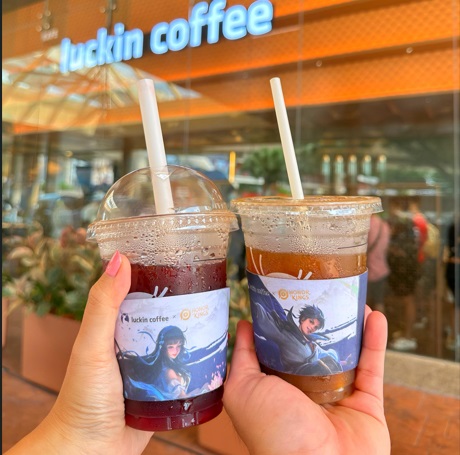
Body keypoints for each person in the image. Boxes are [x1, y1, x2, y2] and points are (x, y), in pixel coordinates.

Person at [6, 252, 390, 455]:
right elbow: (274, 314)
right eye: (170, 344)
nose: (174, 349)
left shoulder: (315, 345)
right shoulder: (288, 330)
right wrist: (82, 439)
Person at [367, 214, 391, 314]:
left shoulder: (366, 224)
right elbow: (386, 248)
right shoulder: (384, 225)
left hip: (367, 271)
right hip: (381, 269)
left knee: (364, 305)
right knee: (379, 302)